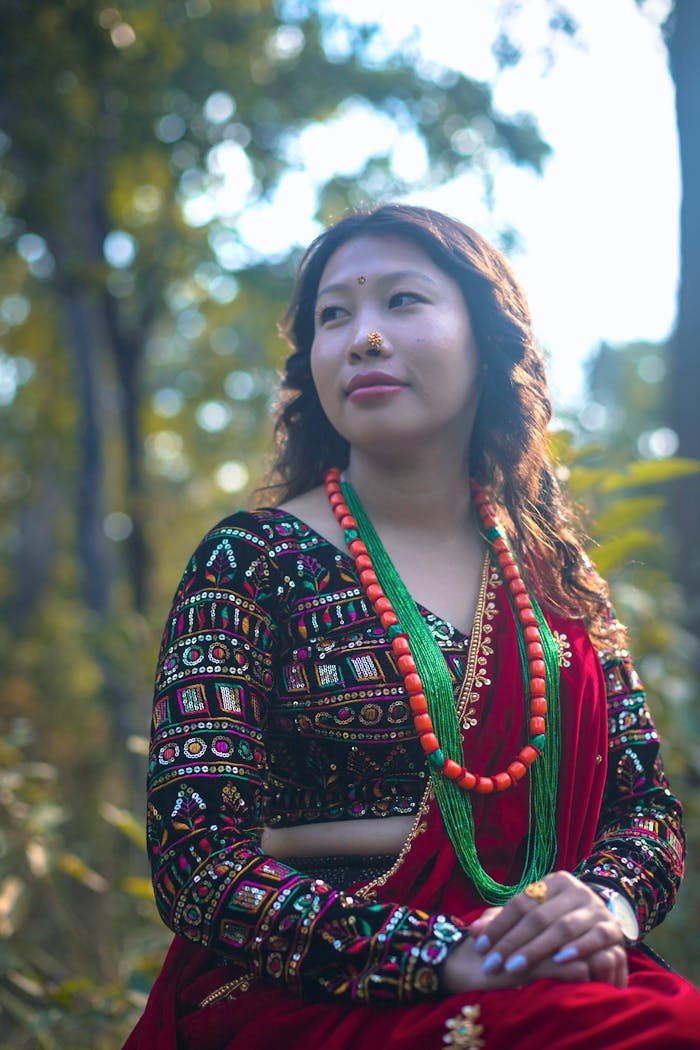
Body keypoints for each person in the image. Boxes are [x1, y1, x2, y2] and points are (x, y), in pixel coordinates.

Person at [124, 204, 700, 1049]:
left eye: (402, 301)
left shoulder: (555, 583)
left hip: (543, 963)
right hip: (310, 986)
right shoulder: (251, 561)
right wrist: (439, 954)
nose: (362, 337)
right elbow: (195, 860)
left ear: (487, 339)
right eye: (334, 314)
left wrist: (605, 905)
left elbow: (643, 806)